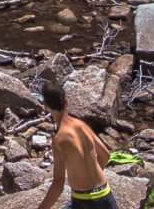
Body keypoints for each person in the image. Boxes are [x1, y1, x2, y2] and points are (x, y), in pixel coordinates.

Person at [33, 73, 112, 209]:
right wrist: (91, 178)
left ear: (46, 106)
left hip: (84, 202)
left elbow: (58, 183)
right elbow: (105, 155)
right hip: (106, 196)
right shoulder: (81, 125)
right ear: (66, 103)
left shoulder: (59, 139)